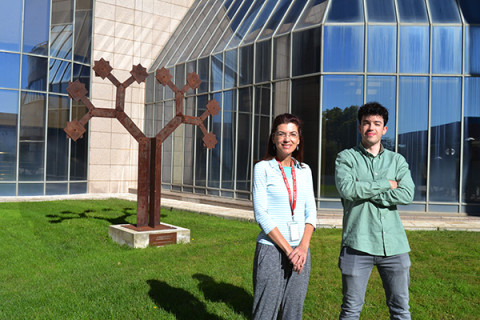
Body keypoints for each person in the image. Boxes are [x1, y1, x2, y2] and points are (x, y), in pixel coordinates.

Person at [335, 102, 415, 320]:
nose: (371, 127)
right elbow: (348, 189)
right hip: (357, 244)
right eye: (367, 123)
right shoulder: (346, 158)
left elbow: (407, 194)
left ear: (384, 129)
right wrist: (386, 183)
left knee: (401, 310)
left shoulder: (397, 160)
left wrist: (366, 189)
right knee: (350, 310)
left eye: (377, 124)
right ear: (360, 127)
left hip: (395, 247)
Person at [252, 113, 317, 320]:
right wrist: (290, 251)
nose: (286, 139)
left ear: (298, 140)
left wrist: (303, 247)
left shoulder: (305, 170)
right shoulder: (262, 168)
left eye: (292, 134)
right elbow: (261, 214)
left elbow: (311, 212)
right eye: (281, 134)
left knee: (293, 312)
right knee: (265, 312)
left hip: (301, 252)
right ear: (273, 138)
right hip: (272, 249)